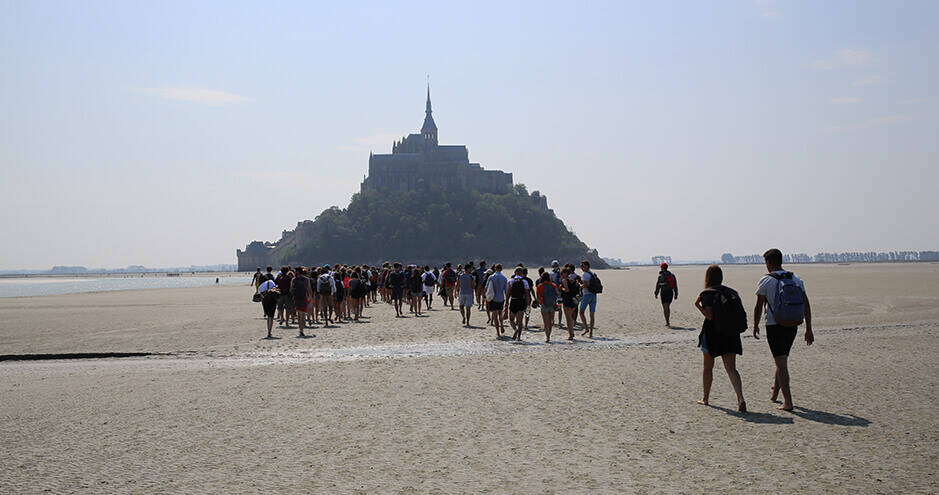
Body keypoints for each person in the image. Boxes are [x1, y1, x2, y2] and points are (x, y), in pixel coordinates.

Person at [753, 248, 814, 411]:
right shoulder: (795, 278)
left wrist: (755, 325)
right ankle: (774, 395)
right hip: (793, 324)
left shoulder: (766, 280)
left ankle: (788, 402)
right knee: (781, 361)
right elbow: (806, 304)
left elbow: (758, 306)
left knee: (781, 364)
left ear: (768, 262)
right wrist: (809, 328)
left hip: (775, 326)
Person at [694, 265, 746, 412]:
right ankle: (740, 398)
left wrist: (698, 306)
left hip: (713, 334)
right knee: (731, 368)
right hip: (731, 333)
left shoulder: (707, 293)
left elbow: (710, 316)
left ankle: (705, 398)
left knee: (708, 367)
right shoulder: (731, 292)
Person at [506, 267, 531, 341]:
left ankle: (515, 329)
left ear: (515, 273)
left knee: (511, 319)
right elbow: (527, 294)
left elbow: (508, 293)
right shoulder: (525, 281)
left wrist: (506, 303)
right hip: (521, 301)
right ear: (522, 273)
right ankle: (519, 337)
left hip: (513, 301)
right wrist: (528, 304)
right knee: (520, 321)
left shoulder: (511, 281)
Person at [485, 264, 508, 338]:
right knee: (500, 314)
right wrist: (507, 300)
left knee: (494, 316)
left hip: (493, 298)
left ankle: (498, 332)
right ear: (501, 269)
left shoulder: (491, 277)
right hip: (501, 298)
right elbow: (506, 290)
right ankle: (502, 325)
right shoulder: (504, 278)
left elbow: (486, 288)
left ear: (495, 269)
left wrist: (486, 297)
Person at [537, 272, 560, 342]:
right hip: (552, 305)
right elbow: (558, 294)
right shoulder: (553, 285)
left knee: (546, 322)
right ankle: (549, 336)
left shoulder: (540, 286)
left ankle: (547, 337)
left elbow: (538, 297)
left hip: (544, 305)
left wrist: (540, 302)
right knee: (550, 322)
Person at [578, 260, 598, 338]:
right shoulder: (592, 273)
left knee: (581, 312)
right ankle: (591, 333)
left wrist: (580, 286)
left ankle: (586, 328)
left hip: (587, 295)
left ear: (586, 266)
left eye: (582, 266)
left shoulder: (585, 274)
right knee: (592, 315)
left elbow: (585, 285)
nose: (581, 267)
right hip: (594, 295)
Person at [290, 267, 312, 337]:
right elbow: (309, 289)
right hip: (304, 297)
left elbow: (291, 289)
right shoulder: (306, 279)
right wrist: (310, 297)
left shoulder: (293, 279)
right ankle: (302, 329)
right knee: (303, 314)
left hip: (297, 298)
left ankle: (300, 329)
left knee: (299, 314)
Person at [654, 262, 678, 327]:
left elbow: (658, 285)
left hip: (664, 293)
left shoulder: (660, 276)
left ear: (662, 268)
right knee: (667, 307)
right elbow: (675, 285)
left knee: (665, 308)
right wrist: (676, 294)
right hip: (670, 292)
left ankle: (667, 321)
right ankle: (668, 320)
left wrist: (656, 293)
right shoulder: (672, 275)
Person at [258, 273, 279, 338]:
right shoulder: (271, 282)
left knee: (268, 316)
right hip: (272, 300)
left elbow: (261, 296)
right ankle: (270, 331)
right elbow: (275, 289)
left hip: (265, 301)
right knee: (271, 317)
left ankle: (268, 331)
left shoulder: (260, 286)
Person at [559, 267, 578, 340]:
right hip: (574, 300)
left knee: (568, 319)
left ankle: (570, 335)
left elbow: (567, 290)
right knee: (571, 318)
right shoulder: (572, 279)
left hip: (567, 300)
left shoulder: (564, 280)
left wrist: (561, 288)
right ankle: (572, 333)